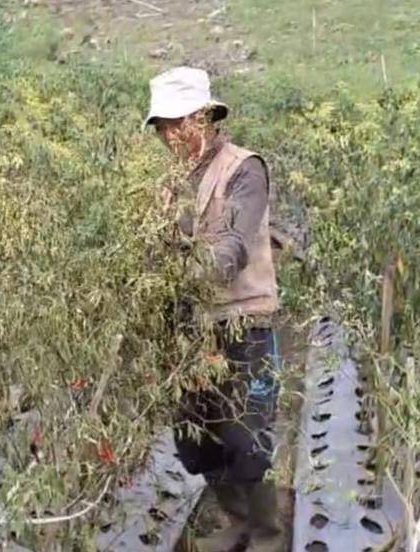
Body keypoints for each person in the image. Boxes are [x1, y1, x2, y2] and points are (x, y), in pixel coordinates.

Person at [144, 67, 285, 552]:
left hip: (243, 322)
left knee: (246, 437)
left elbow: (231, 247)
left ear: (205, 117)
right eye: (163, 127)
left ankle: (266, 535)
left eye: (178, 123)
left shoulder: (245, 169)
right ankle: (237, 521)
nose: (170, 135)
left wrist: (185, 278)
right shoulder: (170, 183)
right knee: (196, 440)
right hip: (191, 331)